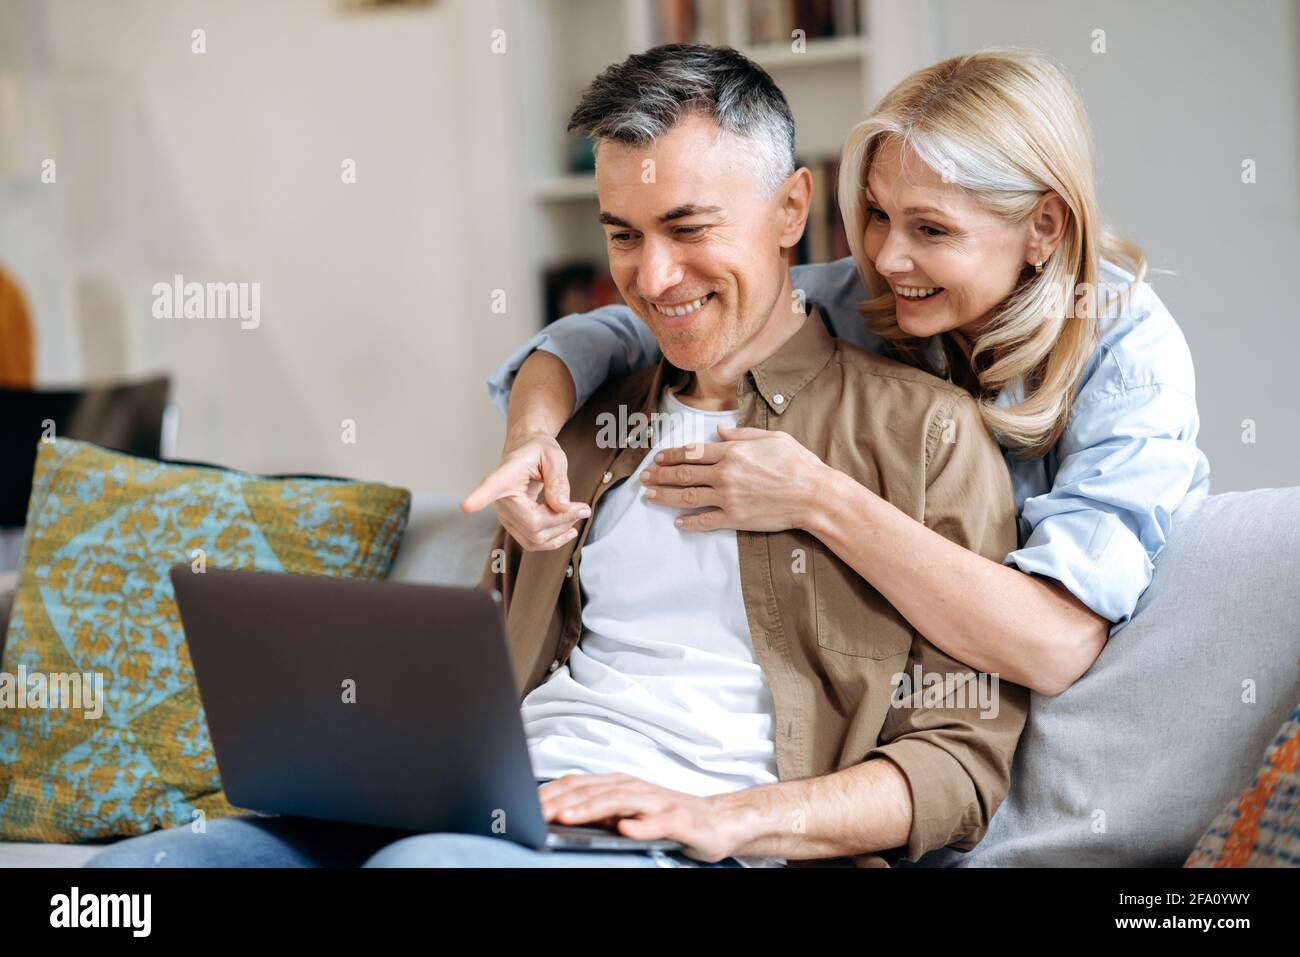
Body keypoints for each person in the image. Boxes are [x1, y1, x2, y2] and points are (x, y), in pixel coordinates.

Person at [89, 43, 1027, 869]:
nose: (653, 278)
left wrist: (719, 817)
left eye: (690, 229)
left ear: (790, 210)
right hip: (488, 811)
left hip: (683, 845)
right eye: (624, 234)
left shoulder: (924, 436)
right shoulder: (580, 428)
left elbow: (958, 769)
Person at [467, 47, 1211, 698]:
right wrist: (533, 432)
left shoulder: (1132, 362)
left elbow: (1054, 644)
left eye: (932, 229)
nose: (886, 257)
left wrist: (817, 497)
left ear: (1043, 226)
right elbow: (608, 334)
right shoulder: (871, 293)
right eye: (878, 215)